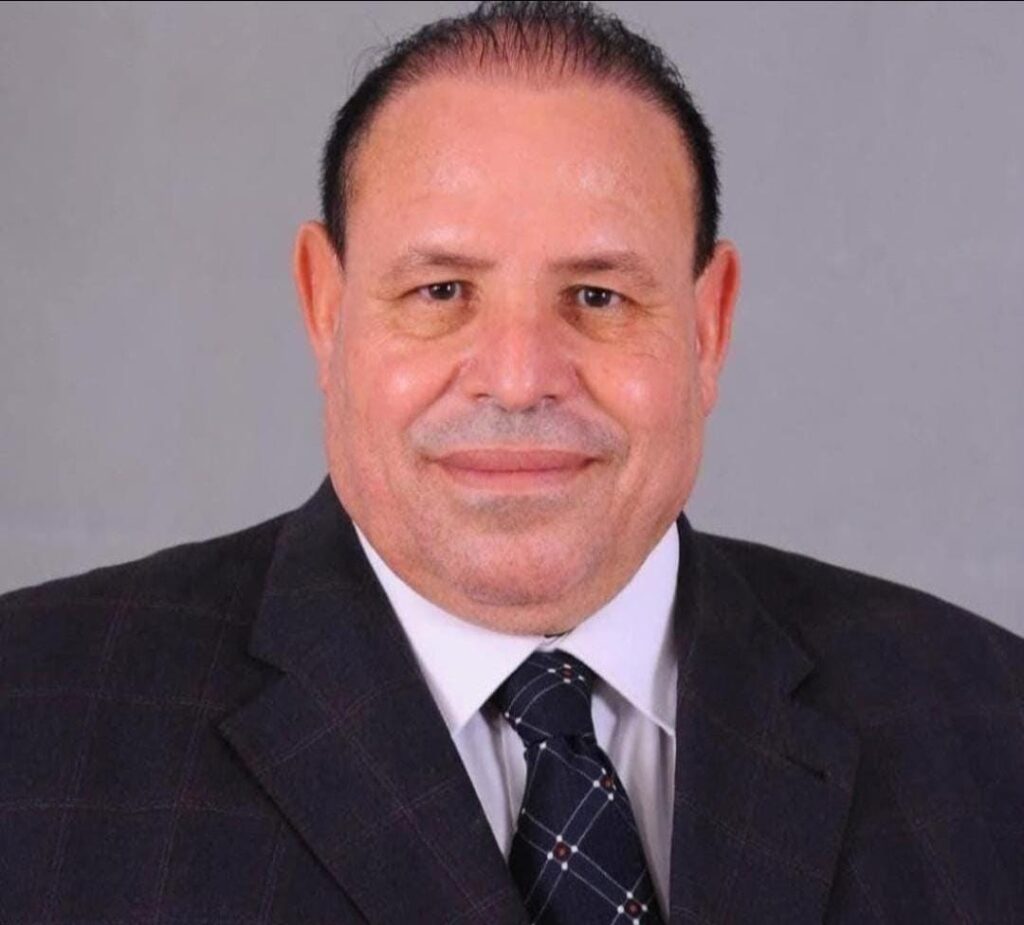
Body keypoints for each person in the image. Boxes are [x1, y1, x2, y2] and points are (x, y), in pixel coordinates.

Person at [2, 1, 1021, 922]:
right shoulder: (32, 724)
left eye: (599, 296)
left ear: (708, 327)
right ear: (325, 308)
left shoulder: (991, 727)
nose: (521, 378)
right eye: (442, 291)